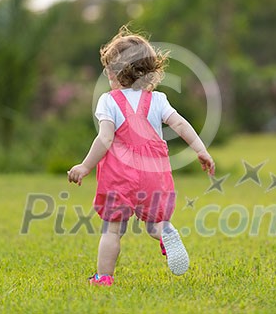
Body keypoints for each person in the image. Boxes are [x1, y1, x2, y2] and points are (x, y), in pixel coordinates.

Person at [67, 27, 215, 286]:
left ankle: (104, 277)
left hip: (120, 175)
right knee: (154, 223)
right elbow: (180, 125)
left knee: (113, 229)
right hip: (153, 173)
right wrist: (200, 149)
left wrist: (85, 165)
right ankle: (165, 233)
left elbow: (105, 138)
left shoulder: (108, 101)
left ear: (113, 73)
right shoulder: (157, 100)